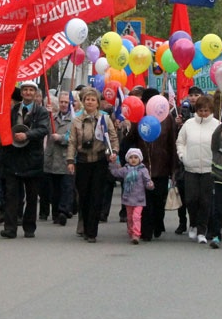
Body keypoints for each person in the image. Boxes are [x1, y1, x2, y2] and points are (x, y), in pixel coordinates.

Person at [125, 87, 180, 242]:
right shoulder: (140, 117)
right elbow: (131, 140)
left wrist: (173, 168)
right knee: (145, 200)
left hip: (162, 166)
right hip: (143, 167)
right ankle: (145, 230)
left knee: (159, 198)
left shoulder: (167, 118)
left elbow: (172, 143)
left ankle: (158, 223)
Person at [0, 80, 50, 239]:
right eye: (25, 90)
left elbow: (43, 129)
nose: (28, 93)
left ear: (35, 94)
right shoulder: (13, 110)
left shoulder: (41, 111)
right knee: (11, 195)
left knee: (32, 195)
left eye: (31, 90)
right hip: (14, 157)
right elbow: (5, 128)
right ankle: (10, 228)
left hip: (32, 158)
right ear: (21, 93)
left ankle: (29, 228)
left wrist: (27, 135)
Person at [67, 87, 118, 243]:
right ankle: (84, 225)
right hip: (82, 162)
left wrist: (114, 151)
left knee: (96, 196)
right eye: (87, 99)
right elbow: (72, 142)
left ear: (97, 103)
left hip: (99, 161)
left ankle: (92, 232)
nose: (90, 102)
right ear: (83, 102)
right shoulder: (77, 120)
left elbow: (114, 138)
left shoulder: (104, 119)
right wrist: (70, 160)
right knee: (84, 196)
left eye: (93, 100)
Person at [177, 94, 219, 245]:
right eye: (200, 110)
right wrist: (182, 156)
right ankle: (193, 223)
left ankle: (202, 230)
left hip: (209, 168)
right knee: (191, 199)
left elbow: (220, 145)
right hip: (190, 168)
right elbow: (180, 142)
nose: (203, 113)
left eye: (206, 110)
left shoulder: (216, 125)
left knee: (205, 201)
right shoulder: (188, 124)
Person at [108, 148, 154, 244]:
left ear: (140, 159)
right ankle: (131, 231)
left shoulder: (143, 170)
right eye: (131, 157)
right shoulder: (125, 170)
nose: (133, 159)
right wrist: (113, 164)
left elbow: (147, 181)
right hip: (128, 199)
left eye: (136, 157)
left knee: (136, 217)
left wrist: (150, 185)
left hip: (139, 199)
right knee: (129, 217)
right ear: (127, 159)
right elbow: (116, 172)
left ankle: (136, 234)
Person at [43, 91, 74, 226]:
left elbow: (73, 138)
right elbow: (44, 129)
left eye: (66, 102)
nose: (63, 104)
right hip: (52, 158)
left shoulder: (74, 119)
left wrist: (61, 138)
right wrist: (46, 114)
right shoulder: (52, 117)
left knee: (66, 187)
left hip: (66, 157)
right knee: (54, 189)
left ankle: (63, 211)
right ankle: (55, 213)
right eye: (61, 102)